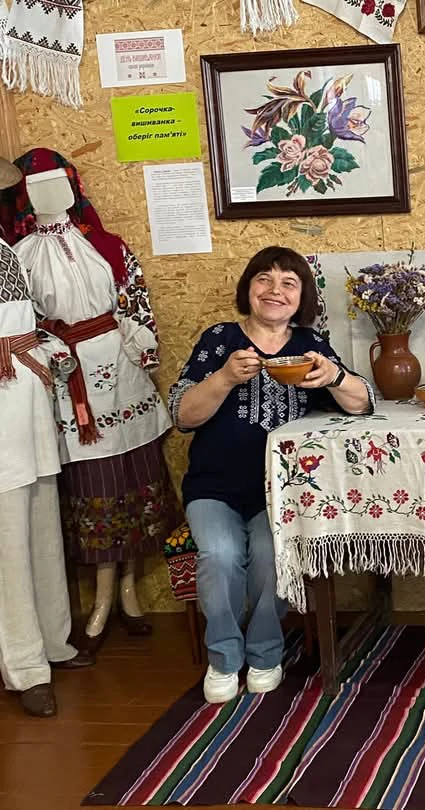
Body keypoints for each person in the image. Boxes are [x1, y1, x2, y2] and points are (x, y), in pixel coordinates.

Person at [169, 246, 374, 703]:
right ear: (248, 288)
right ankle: (224, 657)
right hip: (213, 487)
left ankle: (264, 652)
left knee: (271, 556)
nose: (274, 290)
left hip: (281, 493)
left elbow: (363, 403)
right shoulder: (220, 339)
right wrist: (223, 378)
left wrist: (334, 378)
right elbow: (182, 414)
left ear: (301, 298)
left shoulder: (310, 345)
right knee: (220, 555)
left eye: (288, 283)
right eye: (264, 279)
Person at [0, 148, 178, 653]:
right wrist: (50, 348)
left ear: (74, 186)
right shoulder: (19, 255)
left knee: (136, 477)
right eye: (38, 186)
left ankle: (129, 588)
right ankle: (100, 597)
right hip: (69, 378)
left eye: (60, 182)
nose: (51, 194)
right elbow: (22, 321)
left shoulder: (107, 245)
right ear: (23, 196)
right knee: (94, 484)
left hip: (123, 372)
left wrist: (142, 340)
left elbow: (134, 301)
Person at [0, 158, 94, 718]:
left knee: (39, 522)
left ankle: (54, 639)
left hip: (27, 392)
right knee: (8, 536)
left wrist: (43, 349)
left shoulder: (5, 249)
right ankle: (24, 664)